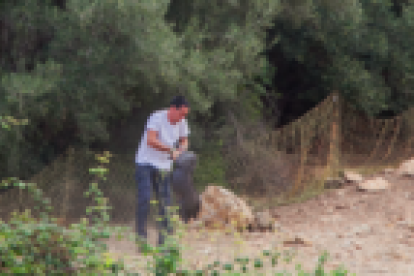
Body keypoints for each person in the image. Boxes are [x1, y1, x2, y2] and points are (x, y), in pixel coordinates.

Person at [135, 95, 190, 251]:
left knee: (165, 203)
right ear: (173, 108)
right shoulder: (156, 117)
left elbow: (184, 140)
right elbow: (151, 140)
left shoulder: (182, 121)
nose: (183, 118)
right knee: (144, 199)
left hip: (164, 166)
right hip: (144, 163)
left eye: (185, 115)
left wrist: (181, 150)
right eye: (182, 114)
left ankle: (164, 242)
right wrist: (172, 150)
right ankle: (141, 240)